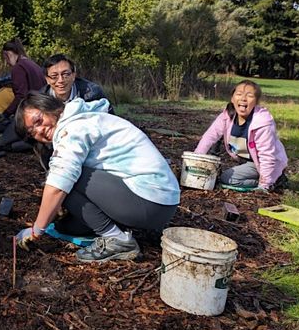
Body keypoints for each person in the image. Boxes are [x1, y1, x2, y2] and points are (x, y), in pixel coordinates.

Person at [13, 93, 180, 262]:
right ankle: (115, 229)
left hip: (150, 202)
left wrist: (36, 230)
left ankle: (118, 240)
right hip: (159, 202)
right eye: (31, 132)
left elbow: (58, 184)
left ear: (51, 108)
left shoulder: (72, 129)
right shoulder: (84, 117)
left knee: (64, 178)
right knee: (67, 225)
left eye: (38, 121)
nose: (39, 130)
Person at [193, 80, 288, 191]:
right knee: (221, 176)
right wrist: (196, 160)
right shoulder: (227, 116)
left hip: (268, 164)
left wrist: (265, 184)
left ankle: (276, 181)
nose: (243, 99)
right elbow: (209, 137)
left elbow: (267, 156)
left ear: (256, 101)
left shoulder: (262, 122)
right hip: (250, 162)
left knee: (227, 178)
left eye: (249, 95)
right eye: (239, 94)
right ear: (232, 99)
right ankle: (269, 180)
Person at [35, 54, 114, 169]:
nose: (60, 80)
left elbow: (110, 121)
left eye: (66, 74)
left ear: (74, 75)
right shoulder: (41, 100)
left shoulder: (92, 93)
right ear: (47, 79)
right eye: (54, 76)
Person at [0, 39, 45, 155]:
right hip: (42, 109)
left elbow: (21, 96)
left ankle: (36, 143)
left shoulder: (18, 68)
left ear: (8, 54)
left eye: (5, 58)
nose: (6, 62)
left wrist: (6, 113)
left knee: (2, 144)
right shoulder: (32, 64)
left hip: (30, 113)